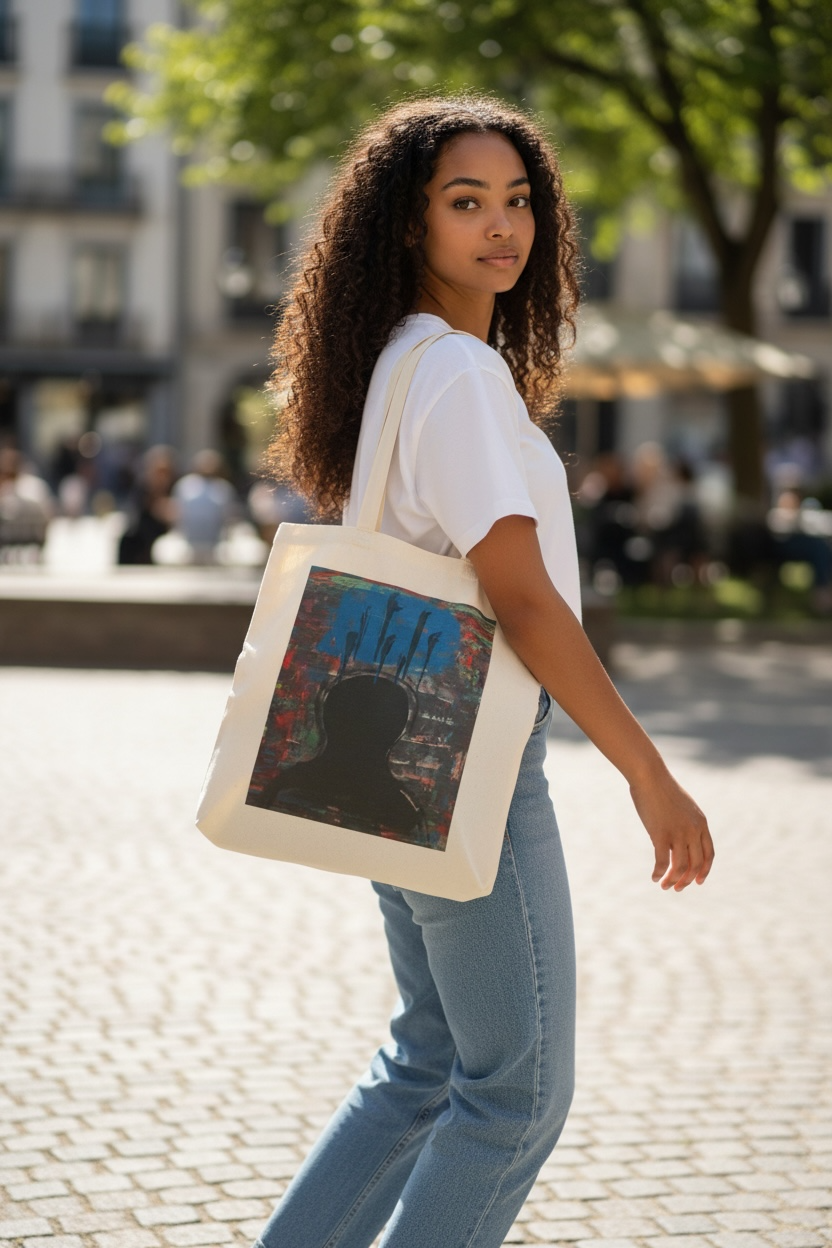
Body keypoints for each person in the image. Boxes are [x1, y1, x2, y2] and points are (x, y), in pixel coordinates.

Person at [255, 94, 714, 1248]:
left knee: (426, 1064)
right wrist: (646, 770)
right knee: (512, 1099)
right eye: (465, 203)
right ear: (410, 226)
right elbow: (519, 597)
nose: (499, 227)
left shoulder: (402, 360)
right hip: (473, 760)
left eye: (517, 201)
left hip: (391, 754)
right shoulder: (456, 372)